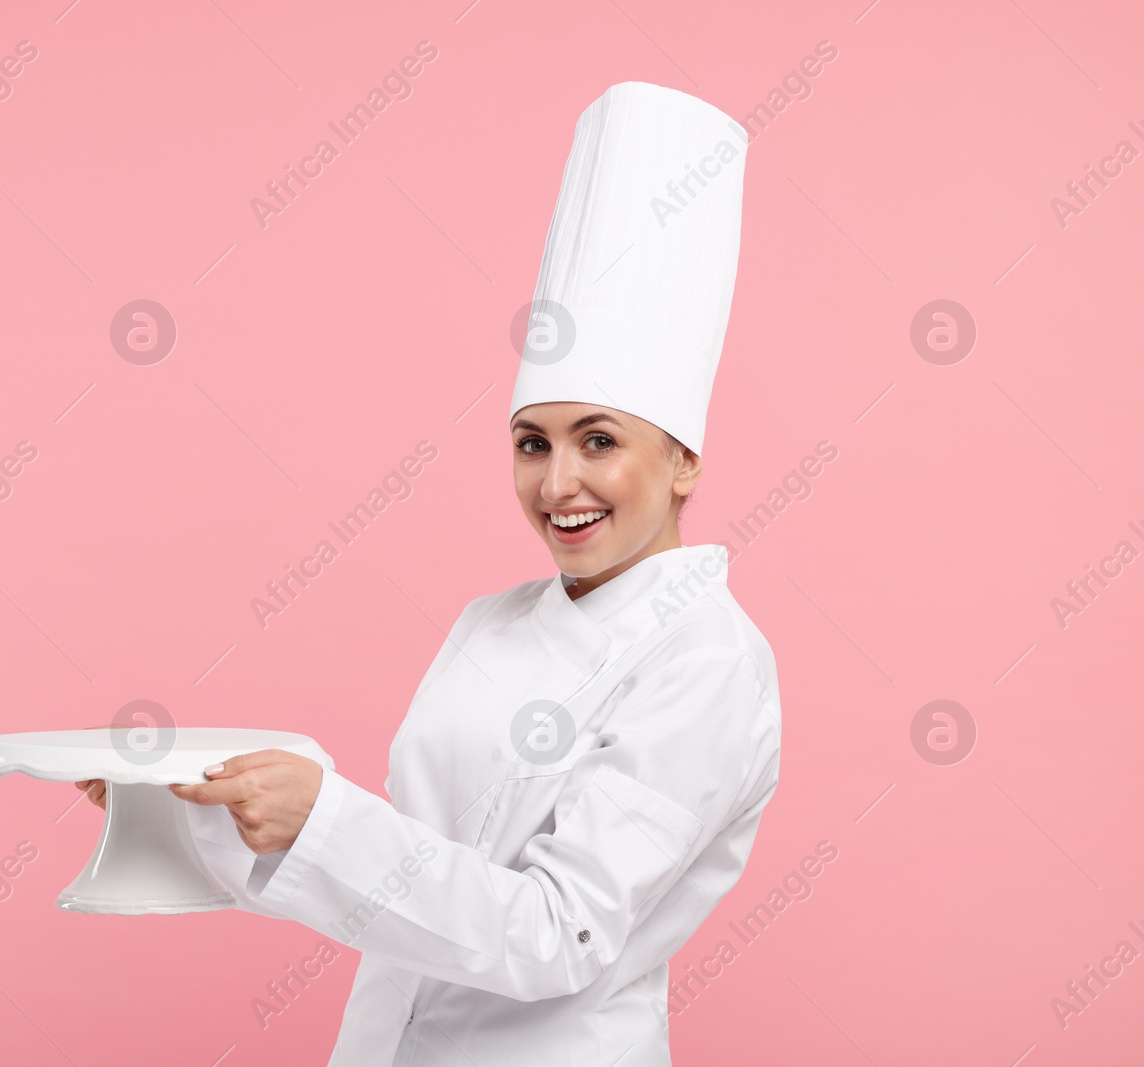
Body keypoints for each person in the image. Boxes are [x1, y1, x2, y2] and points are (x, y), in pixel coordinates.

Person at [76, 81, 780, 1066]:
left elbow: (557, 930)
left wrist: (322, 814)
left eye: (598, 439)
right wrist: (197, 812)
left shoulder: (708, 662)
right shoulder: (490, 623)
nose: (558, 481)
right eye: (531, 442)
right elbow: (410, 878)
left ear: (684, 460)